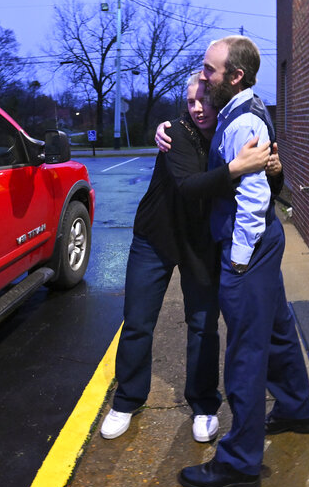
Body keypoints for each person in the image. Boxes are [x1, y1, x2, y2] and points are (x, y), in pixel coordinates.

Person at [100, 73, 280, 443]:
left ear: (221, 98)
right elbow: (188, 187)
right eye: (191, 101)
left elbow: (266, 187)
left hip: (202, 241)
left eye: (205, 100)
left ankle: (203, 406)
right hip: (156, 238)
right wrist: (236, 168)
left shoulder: (235, 131)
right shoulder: (177, 133)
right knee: (137, 322)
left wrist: (274, 172)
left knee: (203, 325)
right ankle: (127, 400)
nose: (198, 108)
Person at [178, 35, 309, 487]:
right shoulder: (241, 109)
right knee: (276, 330)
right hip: (262, 244)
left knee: (246, 351)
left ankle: (239, 461)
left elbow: (253, 200)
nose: (203, 76)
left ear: (234, 75)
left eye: (209, 69)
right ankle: (296, 409)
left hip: (249, 248)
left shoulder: (241, 122)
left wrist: (237, 261)